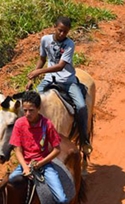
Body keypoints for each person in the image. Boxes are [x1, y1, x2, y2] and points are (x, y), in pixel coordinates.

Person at [29, 16, 92, 154]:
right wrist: (33, 76)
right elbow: (42, 58)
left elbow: (61, 66)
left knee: (81, 107)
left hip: (67, 81)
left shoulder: (70, 44)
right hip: (49, 80)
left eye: (65, 32)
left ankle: (84, 138)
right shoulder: (45, 40)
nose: (62, 34)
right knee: (30, 104)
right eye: (60, 30)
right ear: (54, 27)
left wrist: (39, 71)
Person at [8, 90, 68, 204]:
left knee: (62, 199)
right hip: (24, 164)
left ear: (39, 108)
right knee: (8, 187)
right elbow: (17, 150)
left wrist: (40, 163)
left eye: (31, 110)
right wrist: (25, 168)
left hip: (44, 165)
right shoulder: (19, 124)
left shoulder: (47, 124)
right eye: (24, 110)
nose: (27, 114)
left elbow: (57, 149)